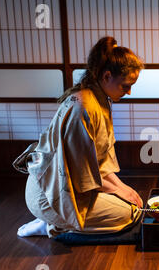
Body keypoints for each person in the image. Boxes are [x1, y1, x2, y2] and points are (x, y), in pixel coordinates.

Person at [14, 37, 145, 238]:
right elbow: (80, 170)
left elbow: (99, 162)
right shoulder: (83, 106)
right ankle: (51, 223)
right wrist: (120, 192)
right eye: (125, 85)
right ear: (107, 76)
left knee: (132, 202)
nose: (129, 91)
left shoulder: (98, 98)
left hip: (70, 187)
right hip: (48, 195)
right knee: (128, 213)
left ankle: (55, 220)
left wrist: (123, 188)